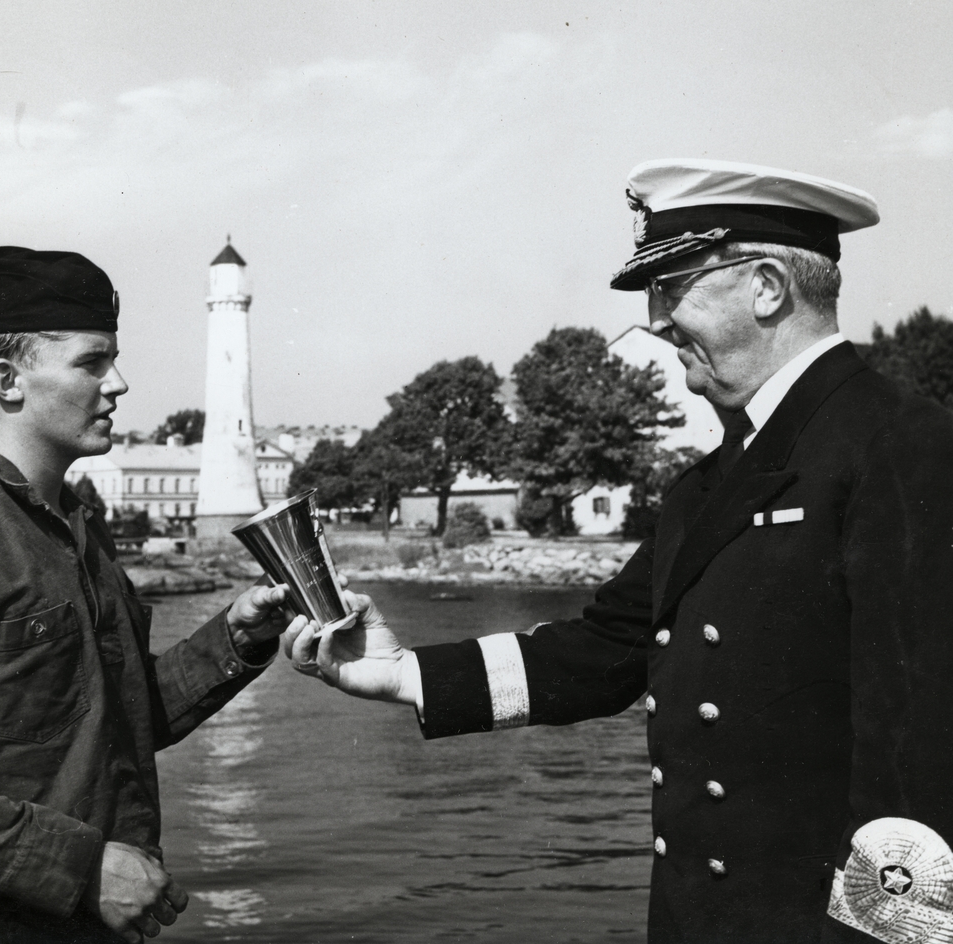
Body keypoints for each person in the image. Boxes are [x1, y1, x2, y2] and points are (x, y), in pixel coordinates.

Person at [285, 159, 953, 943]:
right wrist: (403, 673)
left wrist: (895, 935)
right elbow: (609, 650)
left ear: (767, 287)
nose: (659, 320)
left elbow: (920, 748)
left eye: (672, 288)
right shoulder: (709, 483)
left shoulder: (905, 448)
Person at [0, 246, 299, 944]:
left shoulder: (83, 532)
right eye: (92, 363)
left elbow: (117, 716)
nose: (118, 384)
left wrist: (236, 639)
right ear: (7, 381)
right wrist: (83, 870)